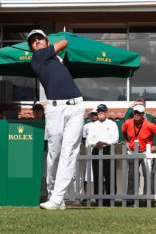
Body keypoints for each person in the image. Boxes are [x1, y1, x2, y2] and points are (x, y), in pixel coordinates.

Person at [28, 29, 85, 210]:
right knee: (54, 154)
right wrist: (53, 50)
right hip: (55, 109)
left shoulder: (55, 60)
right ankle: (52, 193)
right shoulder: (37, 58)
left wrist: (58, 59)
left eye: (40, 39)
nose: (36, 42)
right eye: (33, 41)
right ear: (31, 47)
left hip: (76, 106)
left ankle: (57, 198)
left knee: (69, 152)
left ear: (46, 41)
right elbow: (64, 43)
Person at [122, 105, 156, 197]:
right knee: (132, 175)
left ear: (143, 114)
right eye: (135, 112)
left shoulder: (149, 124)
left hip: (146, 152)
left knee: (148, 175)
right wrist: (127, 142)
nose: (136, 114)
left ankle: (148, 198)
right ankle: (130, 198)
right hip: (133, 151)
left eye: (139, 113)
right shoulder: (128, 123)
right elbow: (123, 131)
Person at [86, 104, 119, 205]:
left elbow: (115, 139)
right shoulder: (93, 125)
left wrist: (105, 143)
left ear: (106, 112)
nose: (100, 112)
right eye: (99, 111)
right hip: (96, 150)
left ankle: (110, 200)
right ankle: (98, 200)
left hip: (109, 150)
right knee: (97, 176)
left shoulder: (112, 124)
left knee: (110, 176)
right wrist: (96, 144)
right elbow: (89, 139)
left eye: (102, 111)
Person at [81, 110, 98, 194]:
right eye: (92, 114)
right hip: (89, 153)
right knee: (86, 176)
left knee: (101, 177)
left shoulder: (102, 125)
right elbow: (84, 139)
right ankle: (86, 196)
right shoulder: (86, 126)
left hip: (99, 152)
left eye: (95, 114)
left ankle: (102, 196)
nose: (94, 116)